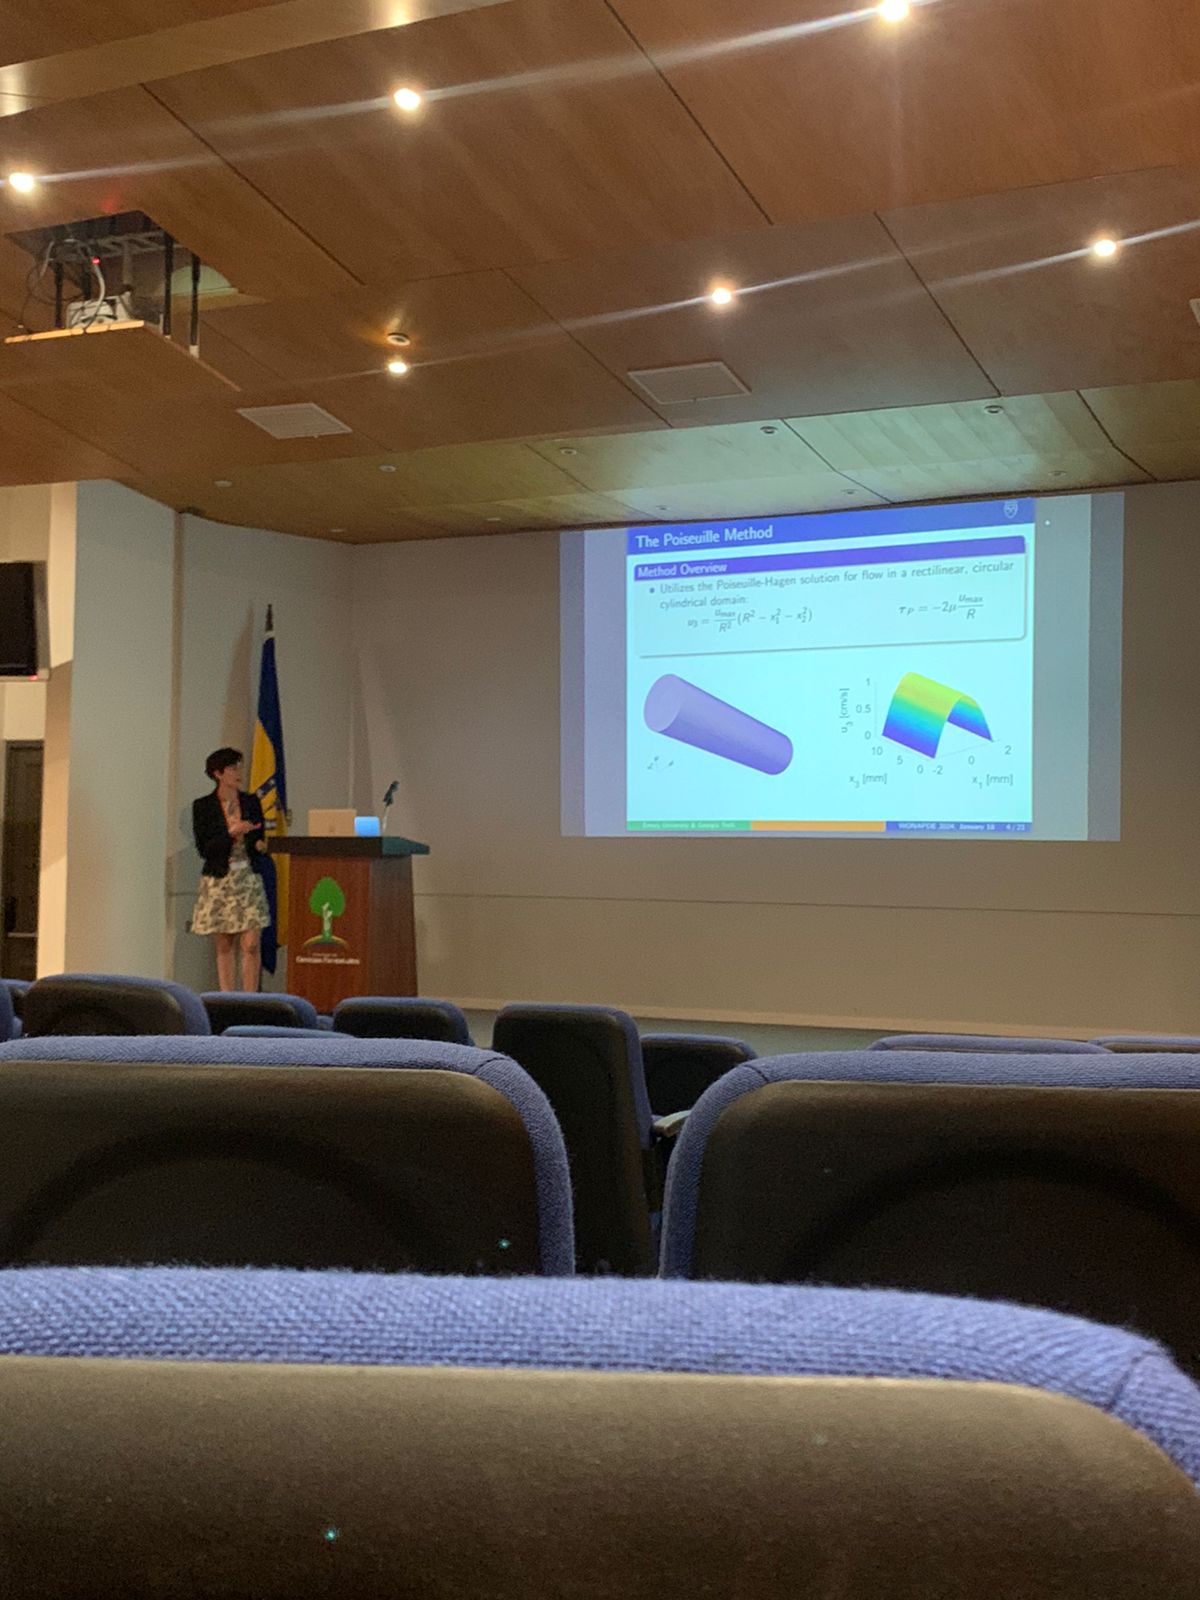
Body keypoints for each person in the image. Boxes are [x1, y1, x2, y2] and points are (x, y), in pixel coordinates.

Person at [192, 747, 271, 992]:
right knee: (224, 944)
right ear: (218, 773)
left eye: (240, 767)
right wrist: (231, 833)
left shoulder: (251, 802)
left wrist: (259, 844)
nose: (239, 773)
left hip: (248, 877)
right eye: (233, 768)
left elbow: (258, 837)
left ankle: (251, 999)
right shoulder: (203, 806)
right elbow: (204, 849)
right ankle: (227, 999)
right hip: (220, 879)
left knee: (251, 943)